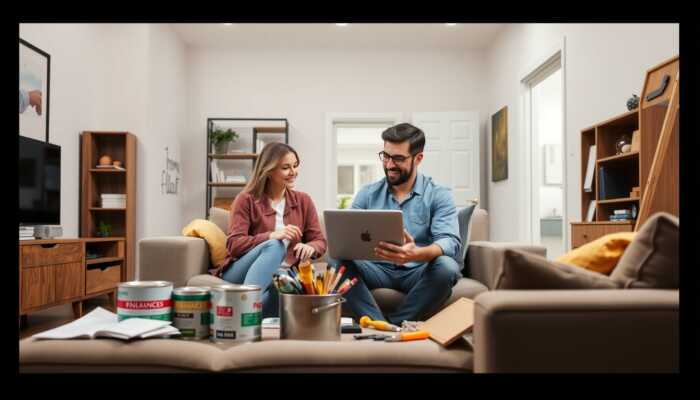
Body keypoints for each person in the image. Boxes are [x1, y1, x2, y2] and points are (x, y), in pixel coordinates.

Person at [331, 123, 462, 325]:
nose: (390, 164)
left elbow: (449, 241)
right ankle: (377, 323)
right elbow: (348, 236)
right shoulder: (367, 193)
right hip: (376, 270)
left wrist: (418, 253)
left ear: (418, 158)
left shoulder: (438, 194)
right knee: (335, 261)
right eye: (386, 156)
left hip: (417, 270)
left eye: (398, 158)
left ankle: (396, 323)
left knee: (447, 267)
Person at [212, 142, 327, 318]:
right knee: (275, 246)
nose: (293, 172)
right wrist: (271, 236)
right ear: (269, 170)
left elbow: (319, 241)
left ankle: (244, 317)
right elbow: (234, 244)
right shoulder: (246, 200)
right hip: (241, 270)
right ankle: (245, 312)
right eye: (286, 168)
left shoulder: (304, 201)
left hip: (284, 272)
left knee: (284, 286)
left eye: (295, 166)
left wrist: (312, 247)